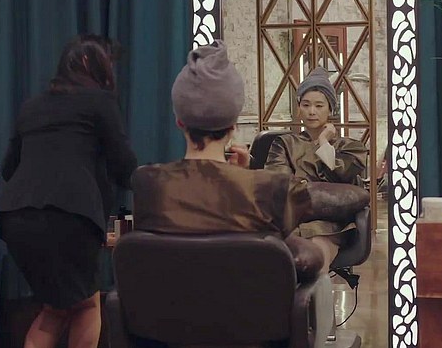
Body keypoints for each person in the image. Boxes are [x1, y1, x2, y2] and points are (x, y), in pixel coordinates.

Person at [132, 41, 366, 347]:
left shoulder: (147, 184)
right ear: (233, 126)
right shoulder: (266, 188)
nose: (312, 111)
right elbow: (344, 207)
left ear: (178, 121)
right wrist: (247, 178)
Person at [0, 34, 138, 348]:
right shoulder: (99, 101)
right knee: (87, 305)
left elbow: (8, 169)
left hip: (17, 220)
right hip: (70, 218)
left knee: (55, 309)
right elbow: (125, 167)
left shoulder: (32, 107)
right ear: (88, 63)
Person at [264, 67, 368, 273]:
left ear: (331, 110)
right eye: (306, 105)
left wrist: (323, 142)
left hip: (331, 224)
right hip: (292, 221)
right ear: (299, 109)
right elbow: (278, 183)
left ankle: (317, 293)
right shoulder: (284, 143)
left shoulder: (351, 147)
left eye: (319, 105)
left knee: (316, 254)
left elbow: (344, 177)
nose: (312, 111)